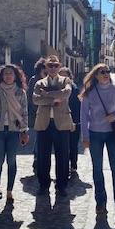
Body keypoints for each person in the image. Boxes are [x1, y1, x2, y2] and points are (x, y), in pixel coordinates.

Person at [80, 63, 115, 216]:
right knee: (97, 169)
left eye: (108, 71)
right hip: (95, 134)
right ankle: (100, 202)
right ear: (96, 75)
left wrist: (112, 116)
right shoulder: (89, 93)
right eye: (102, 72)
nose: (106, 74)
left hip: (112, 134)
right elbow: (84, 116)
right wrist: (85, 136)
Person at [0, 64, 30, 203]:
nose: (8, 76)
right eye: (5, 74)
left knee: (12, 161)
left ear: (15, 76)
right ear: (2, 76)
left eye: (10, 73)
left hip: (14, 131)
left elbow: (24, 113)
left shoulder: (21, 93)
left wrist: (24, 131)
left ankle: (9, 191)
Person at [33, 55, 74, 197]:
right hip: (44, 123)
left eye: (55, 65)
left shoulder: (65, 80)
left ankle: (61, 185)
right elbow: (35, 99)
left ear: (59, 66)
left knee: (62, 156)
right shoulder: (39, 83)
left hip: (61, 123)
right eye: (50, 65)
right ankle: (43, 185)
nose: (53, 68)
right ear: (46, 67)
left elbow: (66, 94)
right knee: (43, 157)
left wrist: (47, 94)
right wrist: (53, 99)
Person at [59, 66, 82, 176]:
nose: (63, 77)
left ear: (69, 77)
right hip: (60, 122)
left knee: (73, 144)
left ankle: (73, 165)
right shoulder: (56, 89)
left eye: (65, 75)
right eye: (61, 75)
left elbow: (77, 107)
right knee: (62, 146)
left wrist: (75, 122)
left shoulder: (74, 88)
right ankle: (64, 166)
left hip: (73, 121)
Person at [27, 58, 47, 174]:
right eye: (43, 68)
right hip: (36, 114)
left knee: (41, 137)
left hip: (46, 114)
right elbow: (30, 97)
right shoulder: (34, 80)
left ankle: (38, 159)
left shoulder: (49, 80)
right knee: (39, 137)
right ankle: (37, 159)